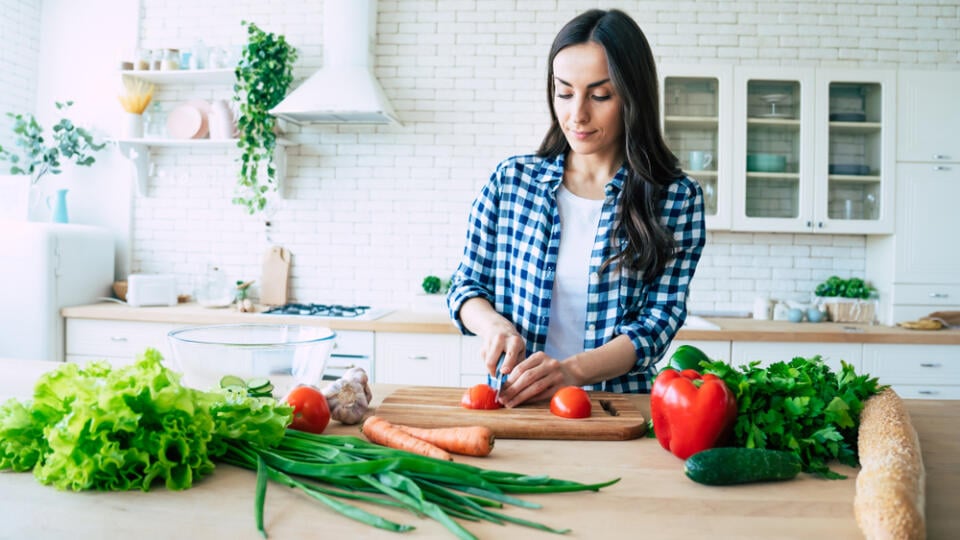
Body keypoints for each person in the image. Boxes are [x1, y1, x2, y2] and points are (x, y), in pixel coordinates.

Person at [446, 8, 706, 407]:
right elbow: (465, 287)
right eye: (564, 92)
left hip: (615, 409)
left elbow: (656, 326)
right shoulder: (511, 181)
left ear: (633, 96)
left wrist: (570, 373)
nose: (577, 114)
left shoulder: (674, 199)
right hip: (518, 404)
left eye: (600, 95)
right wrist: (493, 325)